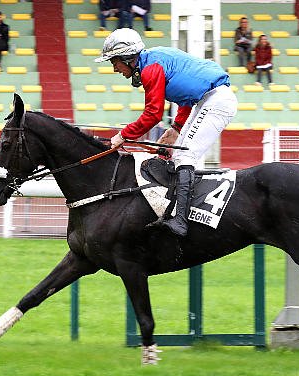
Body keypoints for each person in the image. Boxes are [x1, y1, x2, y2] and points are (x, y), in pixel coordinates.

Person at [96, 28, 237, 236]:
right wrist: (176, 128)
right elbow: (187, 95)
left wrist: (123, 135)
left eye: (114, 62)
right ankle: (176, 211)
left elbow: (153, 114)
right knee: (176, 153)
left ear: (127, 58)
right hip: (207, 100)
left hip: (216, 101)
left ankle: (181, 221)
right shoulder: (152, 61)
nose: (115, 69)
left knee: (185, 156)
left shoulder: (150, 69)